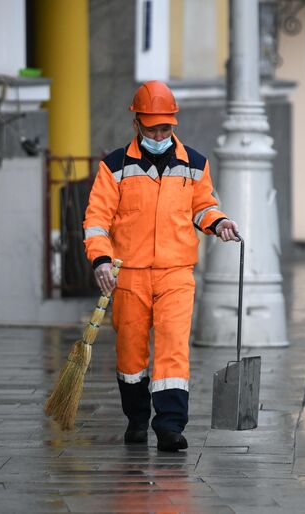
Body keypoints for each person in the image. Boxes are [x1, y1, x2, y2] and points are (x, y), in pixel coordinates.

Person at [83, 80, 239, 452]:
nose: (159, 133)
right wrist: (101, 260)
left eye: (165, 127)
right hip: (129, 275)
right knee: (131, 353)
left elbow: (203, 205)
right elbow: (97, 220)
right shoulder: (114, 167)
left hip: (176, 273)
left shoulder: (195, 164)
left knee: (173, 348)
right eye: (152, 127)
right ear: (136, 123)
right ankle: (137, 419)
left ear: (173, 125)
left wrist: (218, 222)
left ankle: (170, 426)